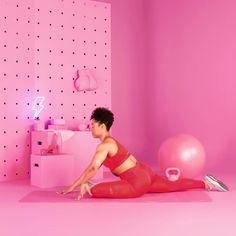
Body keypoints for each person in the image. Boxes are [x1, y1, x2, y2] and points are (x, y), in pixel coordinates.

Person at [57, 107, 229, 200]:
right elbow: (93, 167)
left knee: (97, 191)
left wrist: (80, 185)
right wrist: (74, 185)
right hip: (145, 171)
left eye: (93, 124)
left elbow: (93, 166)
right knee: (173, 186)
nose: (90, 127)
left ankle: (91, 189)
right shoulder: (112, 141)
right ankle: (206, 184)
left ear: (103, 125)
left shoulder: (104, 146)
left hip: (137, 180)